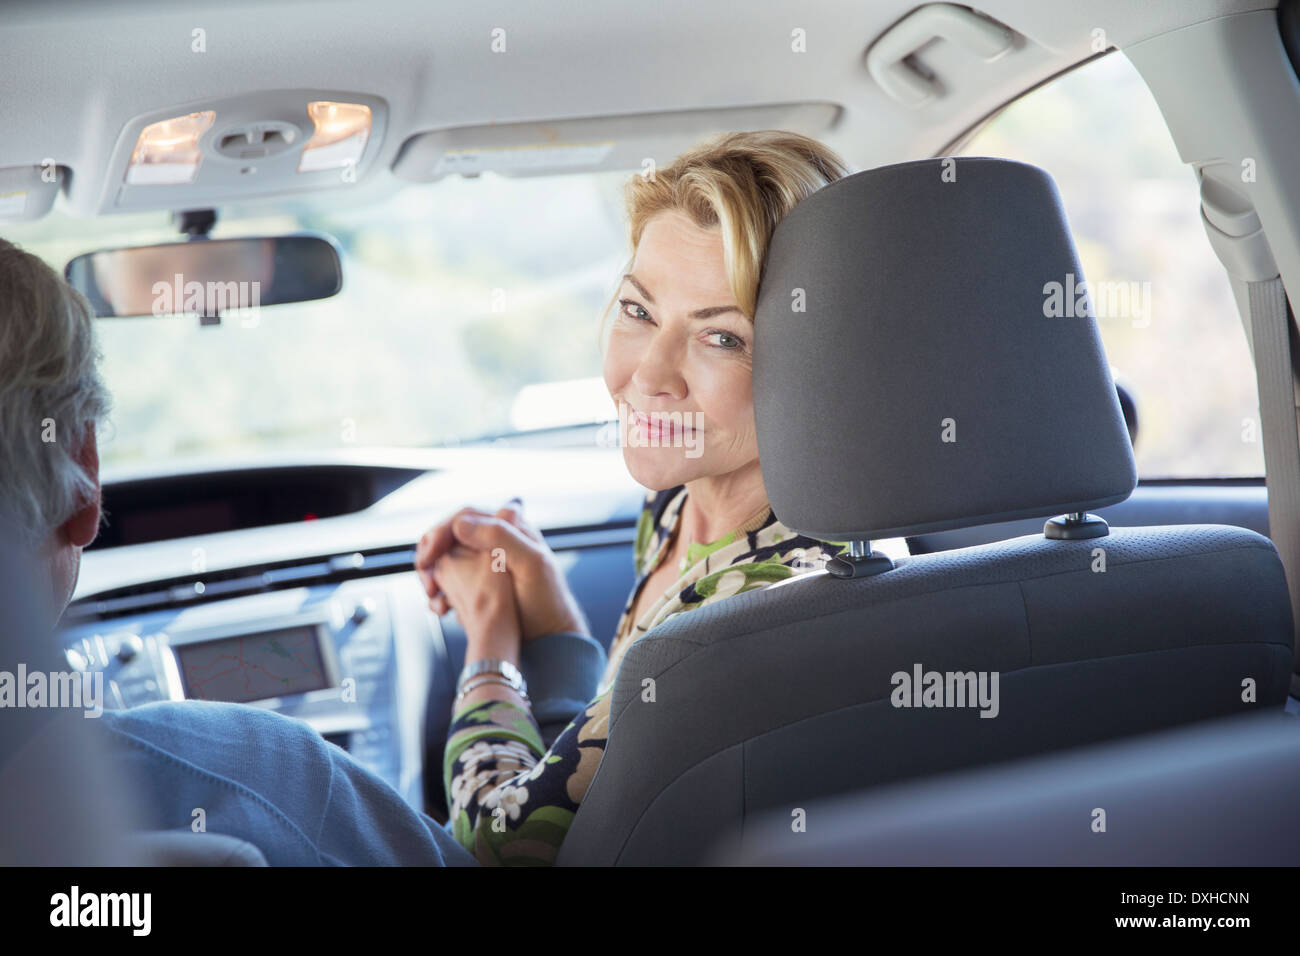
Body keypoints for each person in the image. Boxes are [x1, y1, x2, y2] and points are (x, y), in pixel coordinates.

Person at [416, 129, 856, 865]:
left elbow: (504, 847)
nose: (649, 375)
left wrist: (491, 633)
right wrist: (555, 625)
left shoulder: (765, 604)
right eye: (639, 309)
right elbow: (612, 770)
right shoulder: (683, 500)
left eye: (723, 339)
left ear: (820, 358)